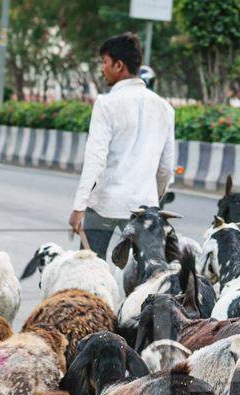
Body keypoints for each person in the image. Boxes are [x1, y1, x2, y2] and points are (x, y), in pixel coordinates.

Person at [68, 33, 176, 260]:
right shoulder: (165, 108)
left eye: (104, 62)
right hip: (144, 208)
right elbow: (166, 168)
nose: (102, 68)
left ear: (119, 65)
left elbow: (95, 159)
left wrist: (79, 207)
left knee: (89, 273)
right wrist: (152, 202)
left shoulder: (106, 104)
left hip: (103, 206)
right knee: (149, 277)